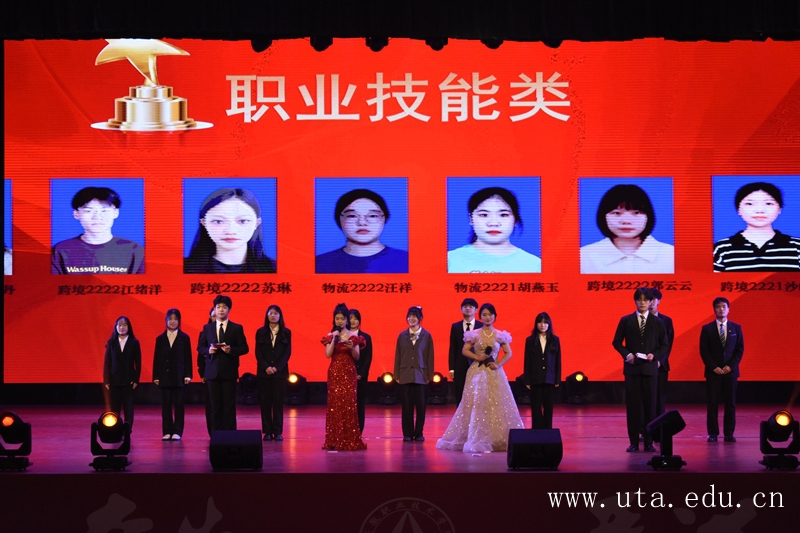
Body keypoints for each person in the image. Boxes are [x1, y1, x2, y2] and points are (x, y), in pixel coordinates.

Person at [437, 303, 524, 452]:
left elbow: (508, 353)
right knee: (476, 402)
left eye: (490, 314)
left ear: (494, 316)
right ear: (480, 317)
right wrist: (477, 357)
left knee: (497, 403)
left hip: (495, 373)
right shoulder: (474, 334)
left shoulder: (500, 335)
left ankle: (496, 438)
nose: (487, 317)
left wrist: (498, 364)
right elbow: (464, 350)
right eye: (484, 314)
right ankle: (475, 436)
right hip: (477, 372)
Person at [612, 288, 669, 452]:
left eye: (645, 300)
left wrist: (654, 355)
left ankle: (649, 442)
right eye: (639, 299)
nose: (642, 302)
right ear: (635, 301)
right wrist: (627, 354)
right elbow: (616, 342)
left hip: (650, 370)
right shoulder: (626, 320)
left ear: (651, 302)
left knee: (651, 407)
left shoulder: (658, 322)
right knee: (633, 407)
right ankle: (634, 442)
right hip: (632, 370)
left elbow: (665, 345)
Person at [580, 184, 674, 274]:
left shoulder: (670, 255)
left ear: (648, 217)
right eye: (617, 213)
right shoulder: (584, 256)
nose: (626, 221)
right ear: (603, 217)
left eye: (636, 213)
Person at [447, 187, 541, 273]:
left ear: (515, 220)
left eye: (503, 215)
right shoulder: (449, 260)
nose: (493, 223)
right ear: (471, 219)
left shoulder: (534, 264)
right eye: (484, 215)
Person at [52, 186, 144, 274]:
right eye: (88, 211)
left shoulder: (134, 250)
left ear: (115, 213)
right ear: (76, 214)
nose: (97, 217)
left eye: (104, 211)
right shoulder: (61, 250)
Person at [184, 187, 276, 274]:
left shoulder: (275, 268)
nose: (230, 231)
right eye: (218, 221)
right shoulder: (182, 268)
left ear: (256, 223)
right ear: (204, 223)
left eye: (243, 221)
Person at [315, 189, 408, 273]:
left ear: (384, 219)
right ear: (339, 220)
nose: (362, 223)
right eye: (352, 216)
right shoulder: (319, 264)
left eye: (372, 216)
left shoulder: (407, 260)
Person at [713, 182, 800, 271]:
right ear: (738, 210)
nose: (760, 210)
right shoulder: (722, 248)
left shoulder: (797, 246)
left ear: (779, 209)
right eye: (749, 204)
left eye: (768, 203)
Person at [197, 295, 249, 431]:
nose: (221, 310)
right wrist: (208, 350)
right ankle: (216, 436)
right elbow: (200, 347)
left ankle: (230, 436)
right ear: (214, 309)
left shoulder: (236, 328)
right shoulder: (207, 328)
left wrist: (231, 350)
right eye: (218, 307)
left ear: (229, 310)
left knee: (229, 405)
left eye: (224, 307)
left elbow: (244, 348)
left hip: (229, 372)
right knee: (215, 406)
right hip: (212, 373)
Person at [321, 303, 366, 450]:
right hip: (334, 373)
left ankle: (349, 439)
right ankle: (334, 439)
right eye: (337, 318)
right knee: (335, 405)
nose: (339, 321)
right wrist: (334, 338)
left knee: (348, 404)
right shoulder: (330, 335)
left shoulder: (354, 336)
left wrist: (351, 347)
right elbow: (328, 354)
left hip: (349, 372)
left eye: (342, 318)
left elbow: (357, 357)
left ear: (347, 319)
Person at [700, 297, 744, 442]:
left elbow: (739, 350)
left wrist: (730, 366)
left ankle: (729, 433)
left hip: (730, 372)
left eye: (724, 306)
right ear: (714, 309)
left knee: (730, 404)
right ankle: (713, 433)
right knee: (712, 404)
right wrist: (714, 367)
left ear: (728, 309)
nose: (721, 309)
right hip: (713, 373)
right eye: (718, 307)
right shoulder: (707, 329)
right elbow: (704, 351)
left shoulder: (736, 328)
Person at [394, 306, 434, 442]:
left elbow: (430, 356)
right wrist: (396, 374)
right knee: (406, 406)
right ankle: (407, 433)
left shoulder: (426, 335)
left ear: (420, 318)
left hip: (421, 375)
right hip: (405, 374)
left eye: (414, 316)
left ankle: (419, 433)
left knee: (421, 406)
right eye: (409, 316)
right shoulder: (402, 335)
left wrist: (429, 375)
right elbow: (398, 355)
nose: (411, 318)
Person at [152, 308, 192, 441]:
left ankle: (177, 431)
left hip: (179, 376)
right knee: (166, 405)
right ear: (166, 321)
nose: (173, 321)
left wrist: (188, 374)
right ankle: (167, 431)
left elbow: (188, 357)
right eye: (170, 319)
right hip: (164, 377)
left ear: (179, 321)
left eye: (175, 319)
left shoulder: (184, 338)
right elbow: (157, 358)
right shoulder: (160, 339)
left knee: (179, 405)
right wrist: (156, 376)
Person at [255, 304, 292, 441]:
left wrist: (277, 367)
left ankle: (277, 431)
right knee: (265, 402)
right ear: (267, 315)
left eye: (276, 313)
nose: (273, 315)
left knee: (278, 402)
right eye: (270, 313)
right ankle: (267, 432)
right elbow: (258, 352)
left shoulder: (286, 332)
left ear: (280, 316)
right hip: (264, 373)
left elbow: (287, 352)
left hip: (279, 373)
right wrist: (266, 367)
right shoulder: (261, 332)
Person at [524, 312, 562, 429]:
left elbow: (558, 361)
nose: (542, 325)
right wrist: (527, 379)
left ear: (549, 324)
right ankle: (537, 432)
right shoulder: (530, 340)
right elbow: (527, 360)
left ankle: (548, 431)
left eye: (545, 322)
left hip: (550, 378)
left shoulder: (555, 340)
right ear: (536, 324)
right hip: (535, 378)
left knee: (549, 407)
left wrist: (557, 379)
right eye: (540, 322)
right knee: (535, 407)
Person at [103, 316, 141, 430]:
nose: (122, 327)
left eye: (124, 325)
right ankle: (116, 431)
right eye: (119, 325)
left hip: (129, 381)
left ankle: (127, 431)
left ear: (129, 327)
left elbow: (138, 362)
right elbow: (107, 363)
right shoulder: (111, 343)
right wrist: (106, 380)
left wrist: (136, 380)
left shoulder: (134, 342)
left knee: (128, 408)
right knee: (114, 409)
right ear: (116, 327)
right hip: (114, 381)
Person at [448, 298, 482, 406]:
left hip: (477, 365)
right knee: (460, 394)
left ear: (476, 310)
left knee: (476, 395)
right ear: (461, 309)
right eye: (465, 306)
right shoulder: (456, 326)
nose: (468, 308)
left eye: (471, 306)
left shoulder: (481, 326)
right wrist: (451, 368)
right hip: (459, 366)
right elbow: (453, 347)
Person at [649, 289, 674, 417]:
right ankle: (645, 426)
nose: (652, 302)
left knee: (660, 397)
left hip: (661, 366)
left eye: (654, 299)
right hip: (644, 364)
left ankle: (659, 425)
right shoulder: (638, 319)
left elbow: (668, 343)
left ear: (659, 301)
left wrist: (660, 360)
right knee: (646, 398)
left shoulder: (666, 320)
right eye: (649, 299)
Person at [348, 309, 372, 434]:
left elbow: (368, 357)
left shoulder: (366, 337)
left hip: (360, 378)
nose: (353, 321)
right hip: (346, 376)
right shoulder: (342, 336)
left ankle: (358, 432)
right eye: (350, 318)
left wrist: (361, 374)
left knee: (359, 405)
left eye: (355, 318)